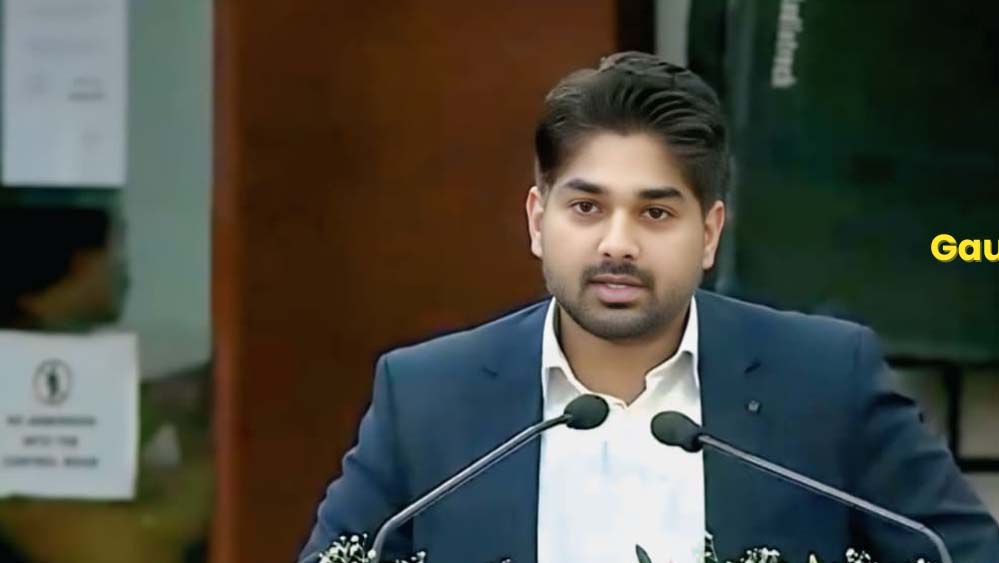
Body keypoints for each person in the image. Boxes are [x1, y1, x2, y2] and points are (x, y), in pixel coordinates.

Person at [299, 52, 999, 563]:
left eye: (655, 212)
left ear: (710, 233)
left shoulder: (825, 379)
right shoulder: (426, 396)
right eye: (586, 207)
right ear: (538, 220)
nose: (617, 243)